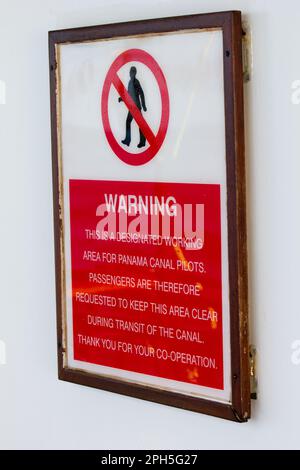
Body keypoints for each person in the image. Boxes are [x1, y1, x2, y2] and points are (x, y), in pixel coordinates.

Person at [118, 66, 147, 148]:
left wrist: (144, 105)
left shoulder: (136, 82)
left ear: (135, 73)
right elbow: (128, 94)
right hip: (132, 107)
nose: (131, 73)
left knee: (141, 124)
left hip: (137, 107)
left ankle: (142, 142)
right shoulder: (130, 82)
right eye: (130, 72)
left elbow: (141, 93)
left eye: (133, 72)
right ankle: (128, 140)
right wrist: (122, 98)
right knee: (129, 122)